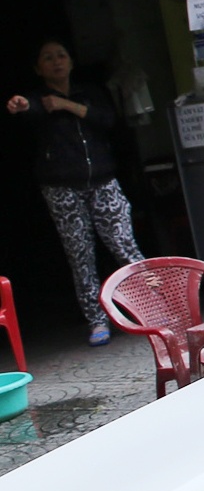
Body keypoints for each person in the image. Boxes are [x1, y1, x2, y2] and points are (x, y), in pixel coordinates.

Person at [5, 39, 146, 344]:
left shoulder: (90, 93)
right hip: (62, 188)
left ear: (71, 61)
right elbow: (28, 109)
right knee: (80, 255)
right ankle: (97, 321)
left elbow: (107, 120)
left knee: (124, 244)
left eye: (61, 56)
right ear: (38, 68)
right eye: (48, 58)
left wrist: (66, 105)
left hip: (102, 181)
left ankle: (151, 307)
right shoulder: (38, 100)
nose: (56, 62)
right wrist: (22, 104)